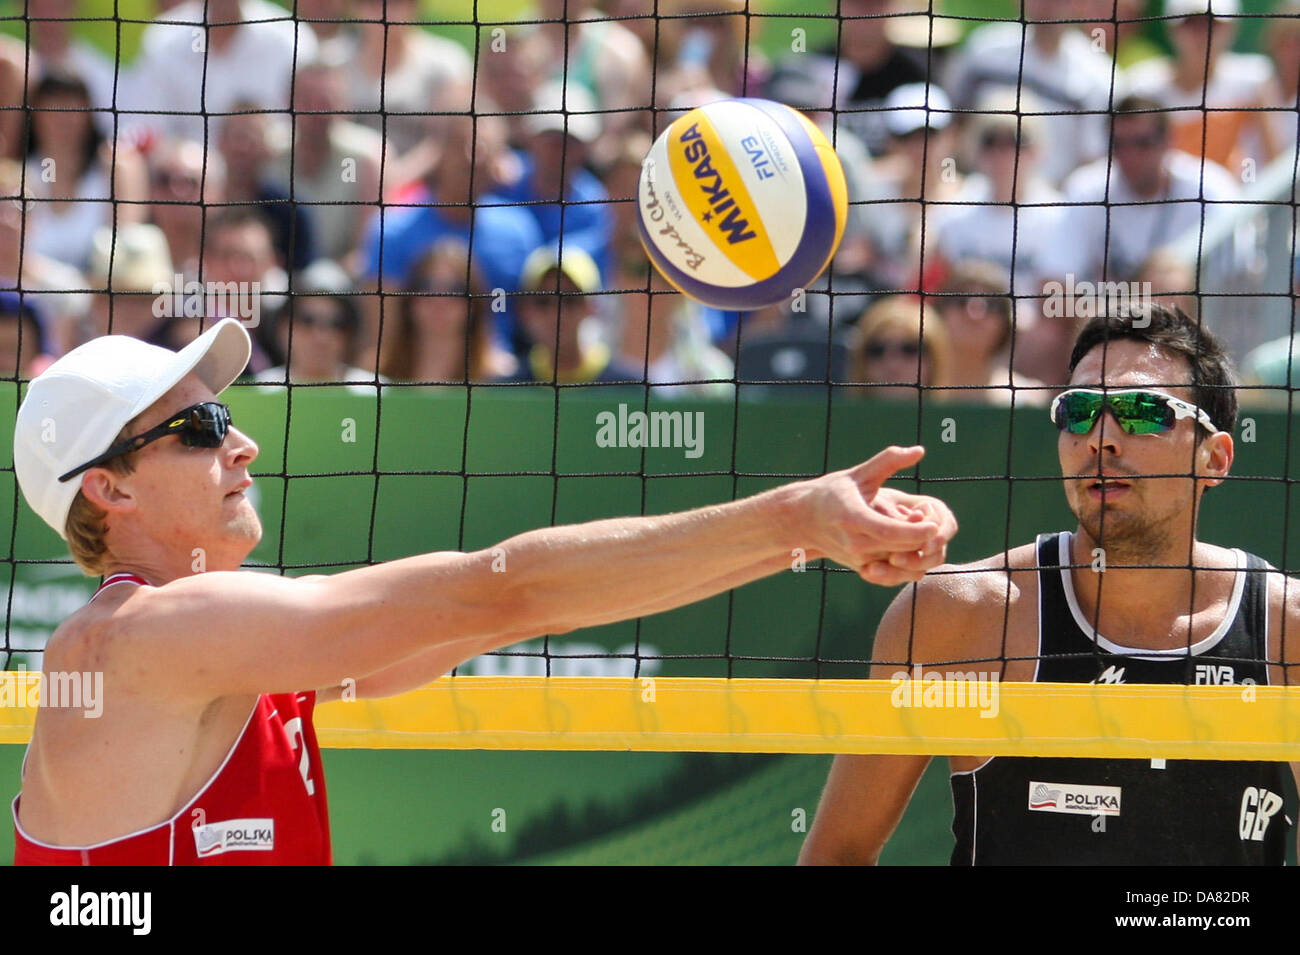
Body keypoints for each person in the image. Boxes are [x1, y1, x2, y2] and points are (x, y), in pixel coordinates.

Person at [9, 317, 957, 864]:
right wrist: (794, 517)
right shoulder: (148, 636)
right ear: (111, 486)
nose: (242, 443)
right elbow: (500, 592)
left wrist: (807, 539)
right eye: (202, 425)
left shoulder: (234, 657)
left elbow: (540, 602)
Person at [800, 304, 1298, 866]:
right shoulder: (958, 616)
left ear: (1215, 458)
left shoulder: (1286, 628)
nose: (1100, 439)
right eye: (1080, 411)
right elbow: (837, 853)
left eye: (1141, 411)